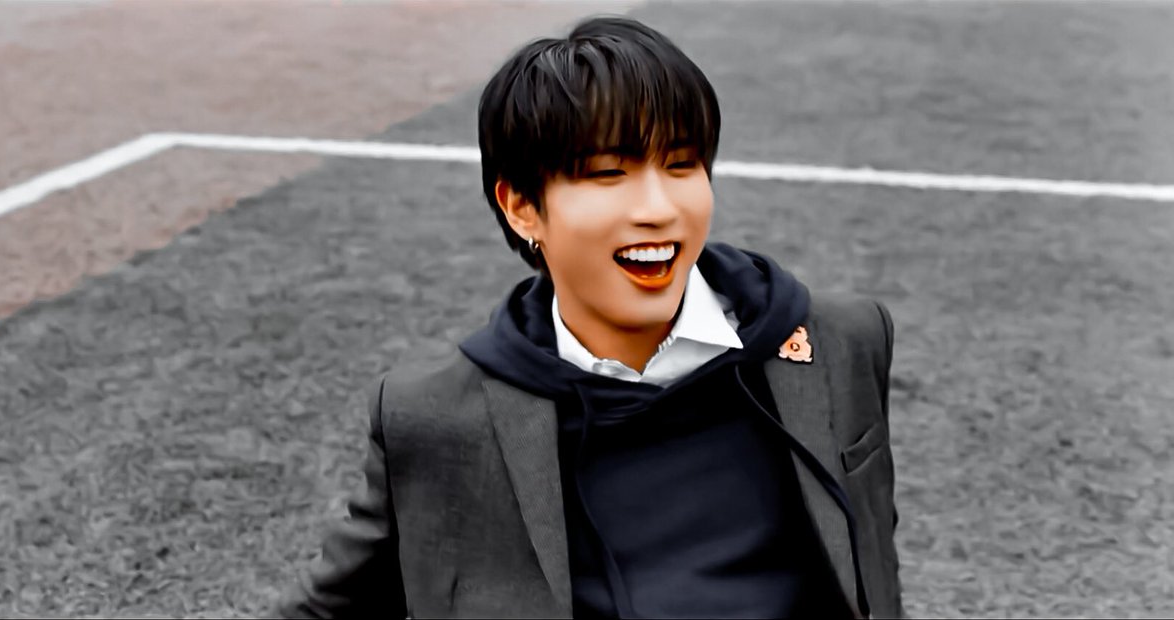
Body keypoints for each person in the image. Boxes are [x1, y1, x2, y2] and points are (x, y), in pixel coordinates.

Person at [275, 15, 905, 620]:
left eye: (681, 165)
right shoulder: (436, 416)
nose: (658, 208)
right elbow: (335, 607)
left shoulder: (838, 341)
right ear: (522, 207)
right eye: (609, 174)